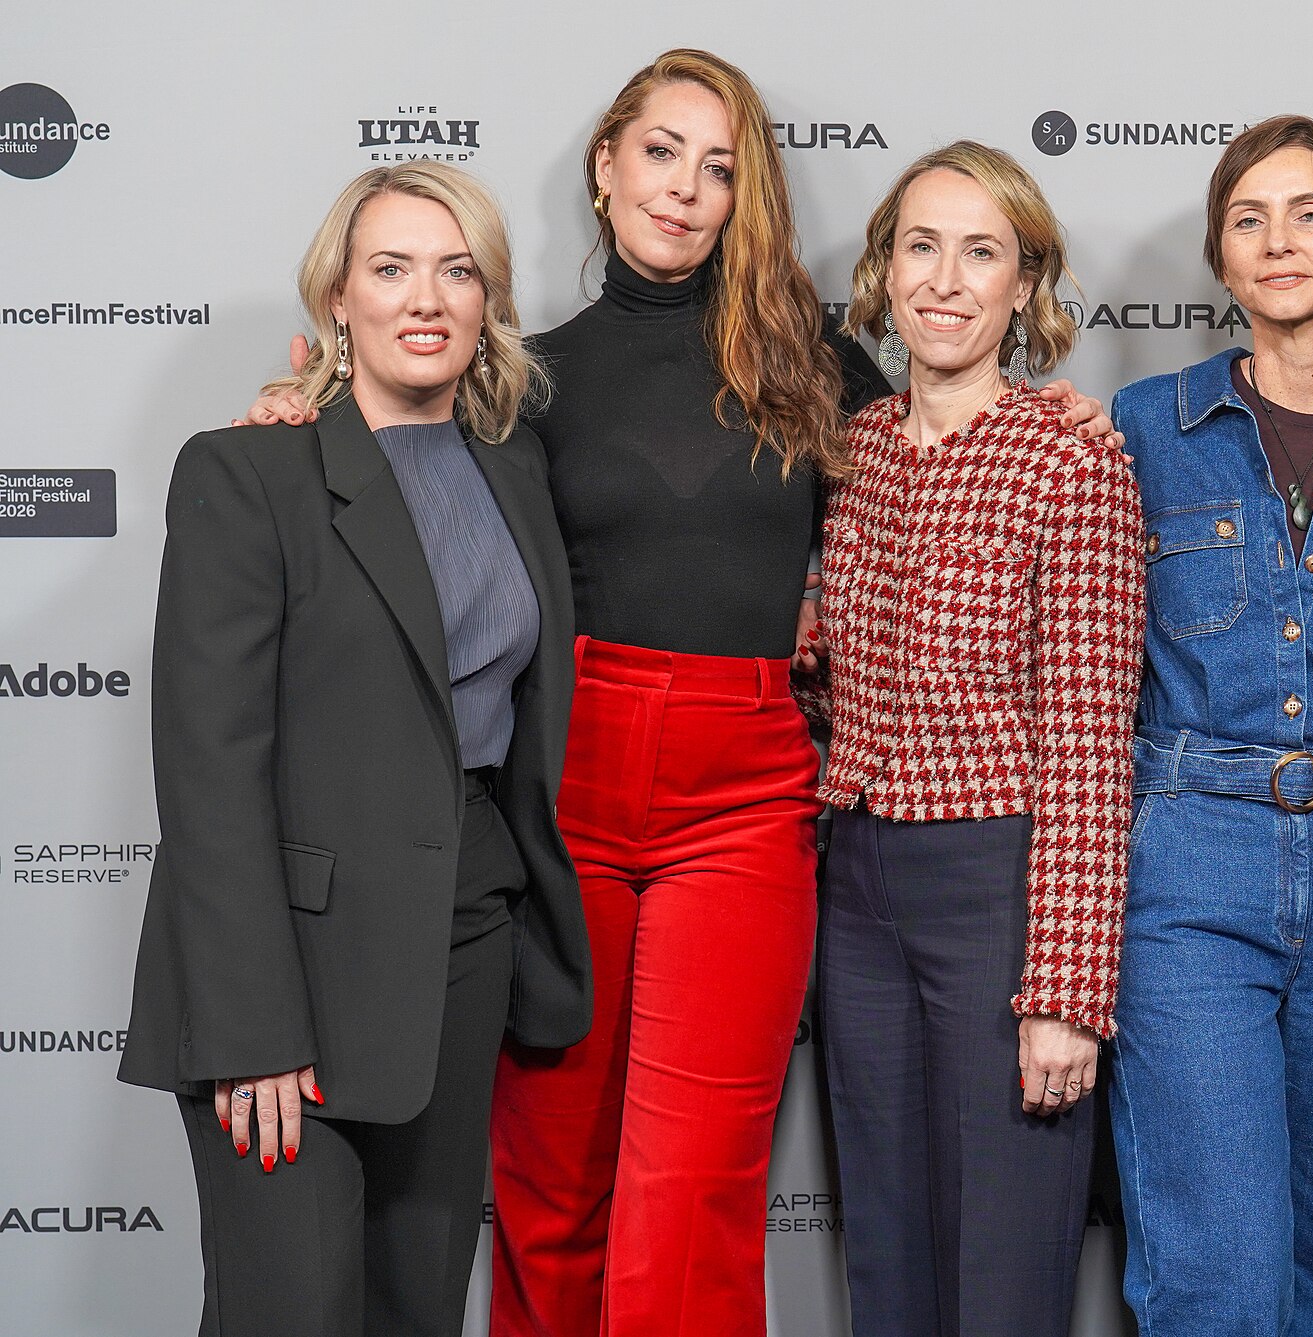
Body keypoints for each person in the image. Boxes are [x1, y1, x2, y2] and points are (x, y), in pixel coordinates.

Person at [237, 50, 1116, 1337]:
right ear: (605, 167)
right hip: (565, 781)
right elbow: (395, 432)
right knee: (549, 1186)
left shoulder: (807, 354)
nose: (687, 191)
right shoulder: (523, 374)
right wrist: (299, 403)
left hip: (747, 793)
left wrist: (1081, 424)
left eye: (720, 169)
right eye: (661, 154)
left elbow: (947, 433)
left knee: (687, 1185)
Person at [118, 163, 591, 1337]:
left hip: (463, 944)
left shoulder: (516, 468)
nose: (423, 297)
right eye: (390, 268)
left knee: (416, 1310)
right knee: (293, 1313)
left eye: (455, 268)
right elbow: (210, 773)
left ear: (488, 301)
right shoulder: (246, 473)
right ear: (337, 297)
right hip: (291, 973)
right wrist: (250, 1031)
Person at [1103, 116, 1313, 1336]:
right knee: (1219, 1275)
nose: (1278, 239)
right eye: (1248, 219)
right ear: (1222, 259)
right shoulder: (1139, 431)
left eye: (1309, 213)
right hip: (1189, 862)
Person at [806, 141, 1144, 1337]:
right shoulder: (852, 452)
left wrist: (1065, 986)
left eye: (981, 251)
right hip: (857, 884)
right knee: (886, 1257)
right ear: (884, 273)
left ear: (1024, 284)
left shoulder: (1071, 453)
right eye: (921, 246)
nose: (945, 280)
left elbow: (1096, 736)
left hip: (999, 881)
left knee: (1003, 1264)